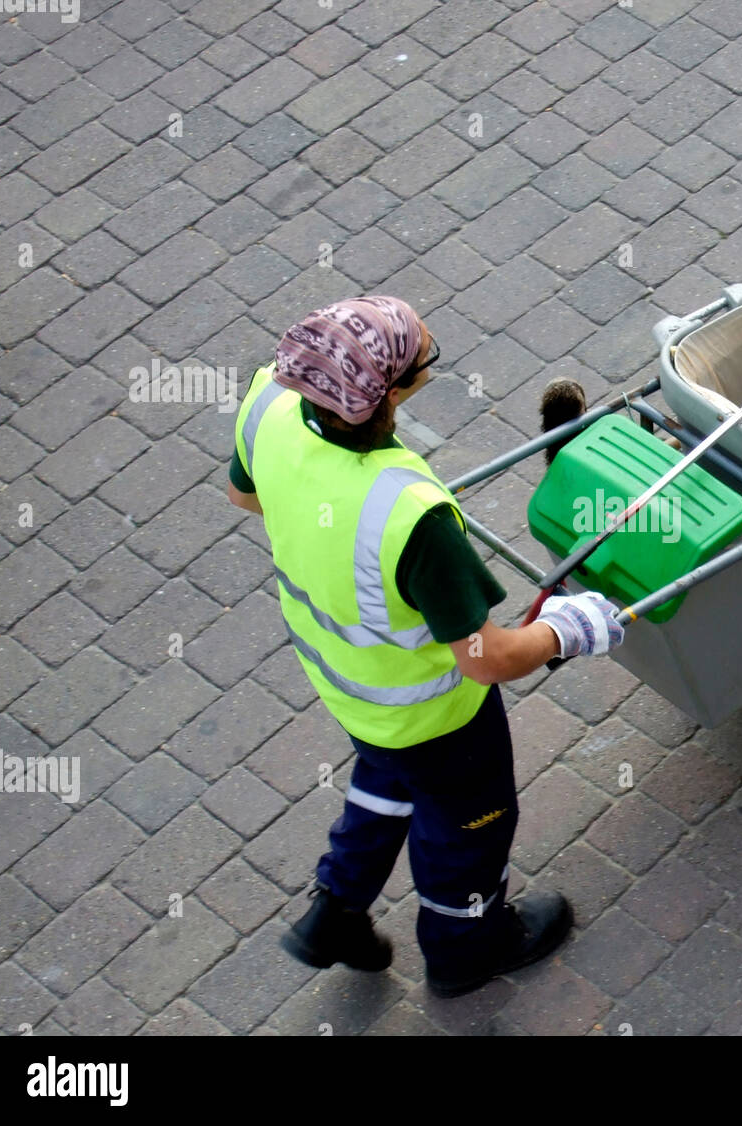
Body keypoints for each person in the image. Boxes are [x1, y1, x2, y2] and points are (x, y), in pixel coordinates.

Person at [226, 295, 624, 998]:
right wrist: (568, 628)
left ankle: (337, 911)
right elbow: (486, 658)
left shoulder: (271, 398)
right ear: (391, 393)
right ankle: (465, 943)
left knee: (388, 777)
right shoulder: (412, 517)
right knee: (469, 824)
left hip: (349, 681)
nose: (430, 359)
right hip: (436, 714)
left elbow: (248, 497)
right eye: (424, 359)